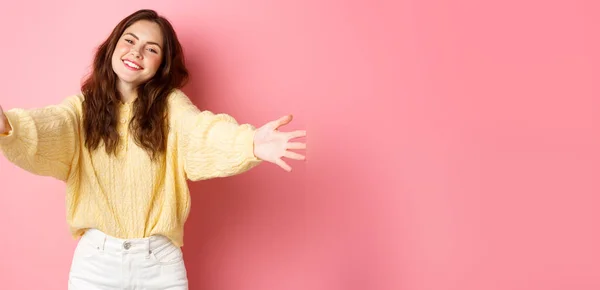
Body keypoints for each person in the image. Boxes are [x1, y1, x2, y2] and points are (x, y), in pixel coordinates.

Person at [0, 9, 306, 290]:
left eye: (152, 48)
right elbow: (51, 126)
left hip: (159, 264)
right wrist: (10, 127)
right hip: (95, 264)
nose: (136, 51)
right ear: (112, 48)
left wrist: (249, 143)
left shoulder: (170, 107)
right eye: (129, 40)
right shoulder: (81, 109)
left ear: (162, 64)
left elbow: (200, 132)